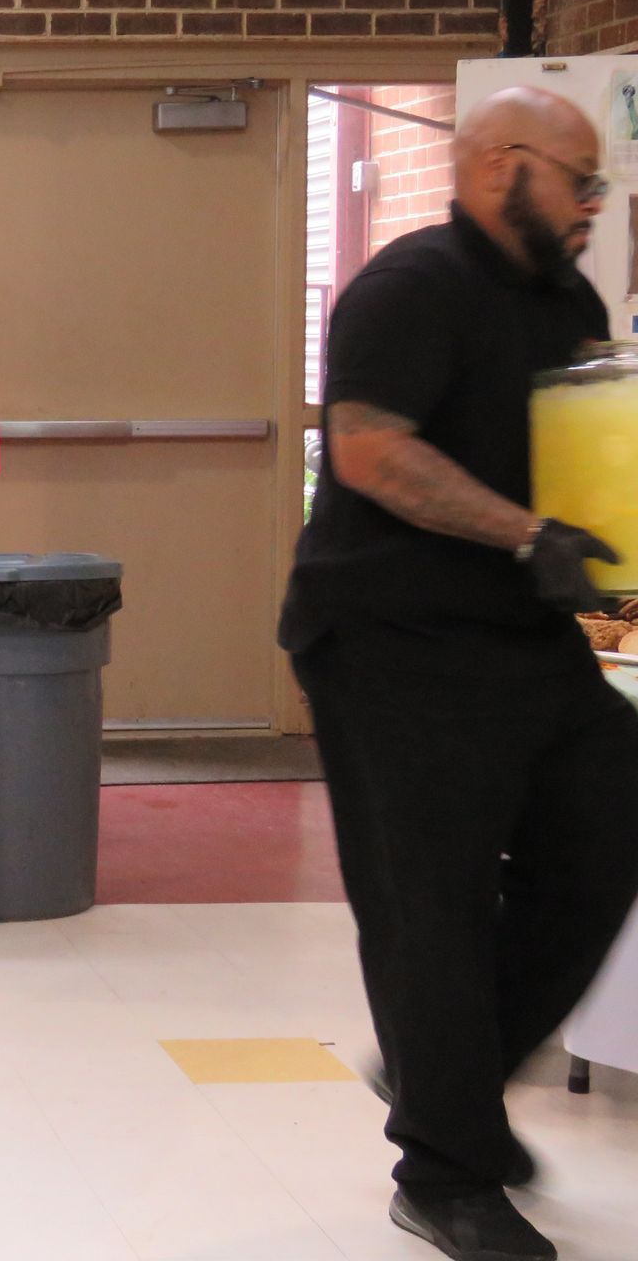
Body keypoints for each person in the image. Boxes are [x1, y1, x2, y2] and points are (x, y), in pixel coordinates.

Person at [281, 86, 638, 1261]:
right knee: (429, 902)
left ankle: (454, 1076)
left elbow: (588, 436)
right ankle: (445, 1172)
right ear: (499, 169)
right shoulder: (409, 288)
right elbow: (376, 451)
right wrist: (525, 536)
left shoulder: (568, 297)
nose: (595, 205)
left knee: (610, 822)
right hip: (387, 638)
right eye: (579, 181)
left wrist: (601, 544)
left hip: (516, 635)